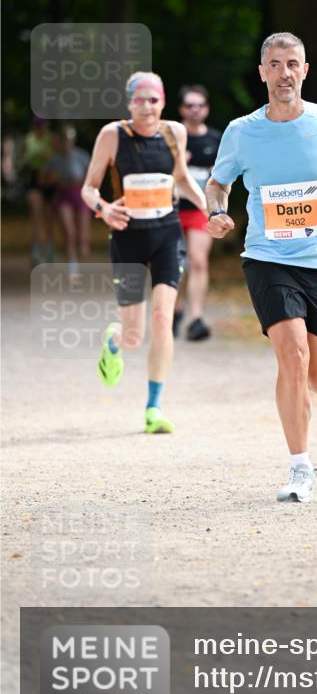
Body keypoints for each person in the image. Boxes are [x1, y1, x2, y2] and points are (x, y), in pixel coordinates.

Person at [206, 32, 317, 504]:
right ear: (262, 72)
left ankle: (299, 397)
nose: (284, 73)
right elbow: (218, 184)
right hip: (268, 259)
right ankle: (301, 468)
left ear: (306, 69)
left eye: (293, 64)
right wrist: (217, 212)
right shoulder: (242, 131)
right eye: (275, 64)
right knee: (293, 356)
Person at [81, 71, 207, 434]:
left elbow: (181, 178)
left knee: (163, 317)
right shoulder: (112, 135)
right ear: (129, 102)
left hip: (167, 235)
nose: (147, 107)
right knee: (134, 335)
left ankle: (154, 406)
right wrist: (104, 208)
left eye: (154, 100)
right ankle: (114, 340)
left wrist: (208, 209)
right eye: (140, 99)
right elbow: (89, 188)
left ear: (163, 102)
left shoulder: (174, 133)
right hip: (127, 239)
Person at [173, 84, 222, 341]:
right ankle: (174, 309)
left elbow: (223, 179)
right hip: (168, 210)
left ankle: (196, 318)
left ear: (207, 109)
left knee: (198, 260)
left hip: (200, 209)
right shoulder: (170, 136)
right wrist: (178, 162)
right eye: (190, 105)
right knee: (172, 264)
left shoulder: (215, 139)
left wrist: (218, 208)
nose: (195, 110)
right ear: (181, 109)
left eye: (199, 105)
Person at [45, 125, 91, 280]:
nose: (67, 143)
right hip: (64, 195)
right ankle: (72, 263)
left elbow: (92, 176)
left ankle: (81, 247)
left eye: (69, 140)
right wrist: (54, 179)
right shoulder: (54, 159)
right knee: (68, 230)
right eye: (64, 140)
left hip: (80, 195)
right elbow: (45, 179)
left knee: (81, 236)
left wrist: (83, 183)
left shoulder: (82, 156)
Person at [23, 117, 57, 264]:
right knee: (36, 216)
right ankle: (35, 251)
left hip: (49, 180)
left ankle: (49, 251)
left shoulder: (52, 139)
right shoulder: (28, 139)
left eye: (42, 126)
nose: (40, 129)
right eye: (37, 126)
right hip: (34, 179)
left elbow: (58, 158)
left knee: (49, 217)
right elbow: (24, 161)